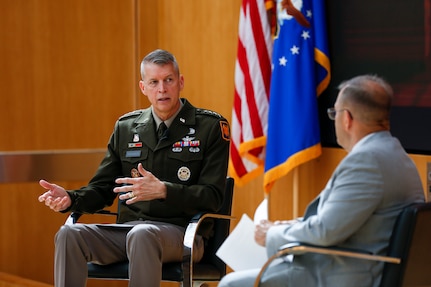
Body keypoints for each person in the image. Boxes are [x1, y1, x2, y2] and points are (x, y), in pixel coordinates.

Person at [38, 49, 231, 287]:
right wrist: (70, 198)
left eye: (168, 80)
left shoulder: (209, 127)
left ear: (180, 82)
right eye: (154, 82)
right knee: (69, 235)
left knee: (142, 235)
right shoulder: (127, 128)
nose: (162, 89)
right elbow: (103, 188)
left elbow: (213, 196)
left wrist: (164, 191)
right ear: (143, 87)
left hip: (183, 233)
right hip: (128, 231)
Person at [218, 75, 424, 287]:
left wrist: (272, 234)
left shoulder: (367, 161)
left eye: (334, 113)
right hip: (355, 266)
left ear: (346, 119)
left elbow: (324, 231)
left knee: (230, 284)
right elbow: (341, 219)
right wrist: (287, 225)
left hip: (340, 274)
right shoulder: (397, 156)